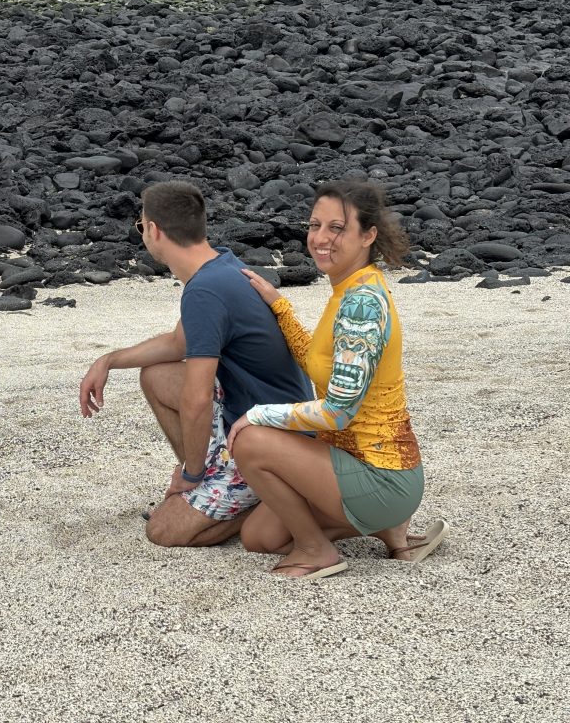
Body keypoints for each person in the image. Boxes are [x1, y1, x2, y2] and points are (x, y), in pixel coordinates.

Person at [227, 180, 450, 579]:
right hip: (357, 466)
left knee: (250, 440)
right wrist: (280, 307)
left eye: (337, 228)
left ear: (368, 236)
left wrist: (258, 415)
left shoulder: (362, 304)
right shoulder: (348, 290)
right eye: (315, 225)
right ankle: (390, 529)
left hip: (382, 473)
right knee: (260, 537)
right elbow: (322, 360)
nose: (321, 238)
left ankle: (317, 552)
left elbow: (338, 412)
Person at [78, 180, 313, 547]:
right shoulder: (221, 266)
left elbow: (197, 398)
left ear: (154, 230)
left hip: (271, 436)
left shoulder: (206, 290)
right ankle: (214, 482)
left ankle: (272, 497)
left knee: (163, 530)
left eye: (141, 226)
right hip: (259, 415)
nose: (142, 234)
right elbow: (178, 343)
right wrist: (108, 360)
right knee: (156, 376)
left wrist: (189, 474)